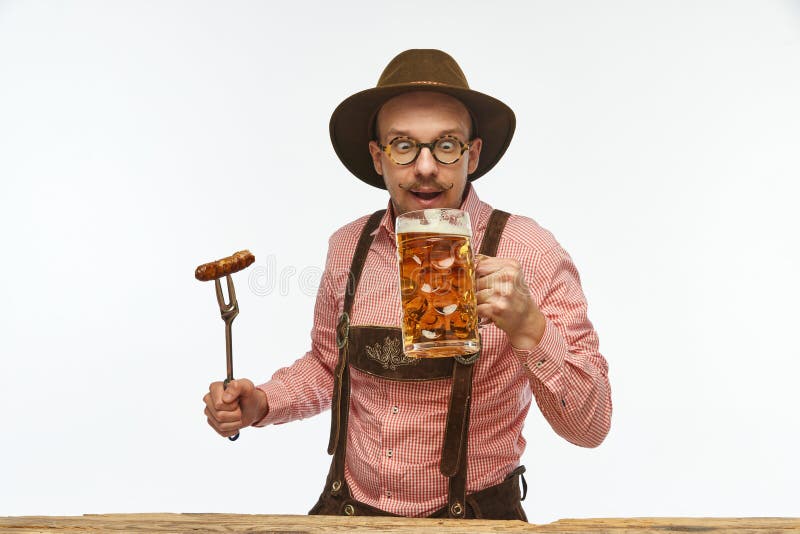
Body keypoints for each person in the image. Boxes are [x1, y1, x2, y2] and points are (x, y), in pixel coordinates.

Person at [203, 49, 612, 520]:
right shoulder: (348, 246)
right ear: (378, 157)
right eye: (403, 145)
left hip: (475, 518)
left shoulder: (531, 251)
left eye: (445, 145)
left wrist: (531, 329)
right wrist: (262, 402)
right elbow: (327, 365)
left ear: (471, 154)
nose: (424, 167)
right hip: (350, 512)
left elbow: (592, 424)